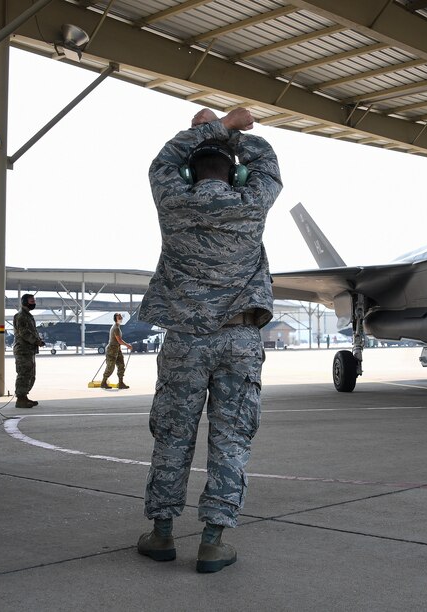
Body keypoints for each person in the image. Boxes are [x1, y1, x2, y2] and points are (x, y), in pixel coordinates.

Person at [136, 106, 281, 573]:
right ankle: (214, 541)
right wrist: (233, 132)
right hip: (239, 338)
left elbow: (163, 160)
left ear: (188, 169)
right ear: (235, 172)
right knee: (231, 438)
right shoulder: (252, 201)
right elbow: (266, 161)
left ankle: (161, 534)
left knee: (173, 435)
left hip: (185, 341)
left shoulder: (172, 199)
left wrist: (206, 130)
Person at [12, 294, 45, 407]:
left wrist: (38, 340)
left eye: (34, 301)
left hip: (29, 350)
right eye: (31, 301)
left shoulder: (28, 316)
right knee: (24, 374)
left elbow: (31, 332)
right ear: (24, 302)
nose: (33, 303)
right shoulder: (21, 316)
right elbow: (24, 333)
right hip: (23, 350)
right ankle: (20, 399)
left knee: (30, 375)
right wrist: (37, 341)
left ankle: (24, 397)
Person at [100, 313, 132, 389]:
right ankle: (103, 382)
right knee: (110, 367)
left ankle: (121, 383)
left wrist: (120, 348)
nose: (121, 318)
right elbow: (119, 340)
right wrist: (128, 345)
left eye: (121, 317)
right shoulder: (116, 328)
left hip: (117, 349)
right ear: (116, 319)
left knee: (121, 365)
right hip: (111, 349)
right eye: (119, 317)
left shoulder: (118, 327)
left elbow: (118, 342)